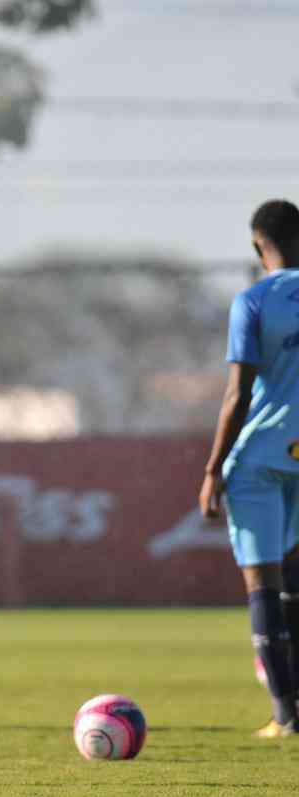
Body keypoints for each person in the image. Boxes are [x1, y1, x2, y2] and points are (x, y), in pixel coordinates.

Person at [200, 198, 299, 739]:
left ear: (259, 244)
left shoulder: (255, 300)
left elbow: (238, 394)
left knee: (263, 579)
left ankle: (285, 716)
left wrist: (214, 468)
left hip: (261, 458)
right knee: (297, 583)